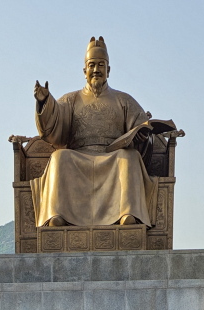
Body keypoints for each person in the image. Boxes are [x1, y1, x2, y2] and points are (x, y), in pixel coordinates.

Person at [30, 36, 161, 229]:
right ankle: (57, 214)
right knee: (59, 157)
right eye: (92, 65)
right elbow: (53, 124)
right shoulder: (71, 99)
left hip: (113, 156)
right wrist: (44, 102)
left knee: (130, 157)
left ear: (109, 70)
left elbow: (141, 126)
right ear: (85, 71)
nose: (96, 70)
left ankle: (128, 213)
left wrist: (142, 135)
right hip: (79, 156)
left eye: (101, 65)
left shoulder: (124, 100)